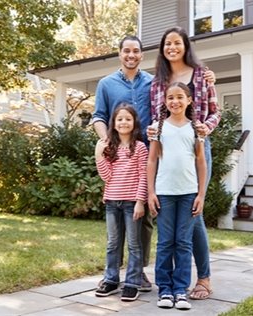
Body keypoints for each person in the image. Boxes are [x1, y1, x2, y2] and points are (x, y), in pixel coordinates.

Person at [92, 35, 216, 292]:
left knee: (182, 213)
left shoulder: (162, 80)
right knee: (140, 212)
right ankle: (127, 274)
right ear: (119, 53)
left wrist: (205, 123)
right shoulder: (120, 83)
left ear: (142, 54)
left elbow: (204, 109)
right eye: (126, 50)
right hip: (135, 154)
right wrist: (106, 143)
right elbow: (99, 116)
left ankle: (195, 277)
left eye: (136, 51)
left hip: (172, 149)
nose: (131, 55)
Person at [149, 26, 220, 300]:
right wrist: (152, 133)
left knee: (195, 211)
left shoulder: (202, 74)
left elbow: (215, 111)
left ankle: (203, 278)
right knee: (175, 227)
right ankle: (173, 282)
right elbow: (154, 116)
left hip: (197, 145)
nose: (172, 48)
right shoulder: (158, 81)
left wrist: (205, 128)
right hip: (167, 148)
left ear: (185, 46)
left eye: (177, 43)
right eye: (167, 43)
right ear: (162, 48)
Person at [147, 82, 207, 310]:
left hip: (188, 193)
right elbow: (152, 160)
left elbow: (201, 162)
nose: (175, 101)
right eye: (170, 97)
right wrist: (151, 192)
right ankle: (165, 289)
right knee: (164, 243)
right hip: (164, 193)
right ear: (165, 101)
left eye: (180, 97)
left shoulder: (196, 129)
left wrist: (201, 194)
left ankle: (181, 290)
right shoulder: (157, 128)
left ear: (189, 100)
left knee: (183, 243)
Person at [94, 104, 148, 301]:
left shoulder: (140, 147)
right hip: (111, 202)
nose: (123, 122)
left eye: (127, 119)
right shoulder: (110, 147)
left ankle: (132, 283)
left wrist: (140, 201)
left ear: (134, 123)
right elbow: (106, 176)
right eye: (119, 119)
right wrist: (98, 155)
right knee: (112, 244)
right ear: (114, 124)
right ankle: (111, 280)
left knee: (134, 244)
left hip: (131, 203)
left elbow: (144, 176)